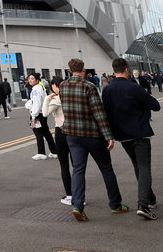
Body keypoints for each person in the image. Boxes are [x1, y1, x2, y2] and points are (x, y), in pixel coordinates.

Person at [61, 58, 126, 222]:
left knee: (78, 169)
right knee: (106, 168)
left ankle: (77, 206)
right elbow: (99, 113)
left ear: (69, 71)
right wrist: (108, 136)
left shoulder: (63, 85)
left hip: (72, 134)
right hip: (92, 134)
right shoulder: (88, 86)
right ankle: (115, 204)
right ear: (83, 70)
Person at [102, 57, 161, 220]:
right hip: (139, 132)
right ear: (126, 70)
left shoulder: (107, 90)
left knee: (137, 165)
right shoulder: (133, 87)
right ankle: (143, 204)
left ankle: (150, 198)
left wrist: (109, 135)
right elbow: (155, 105)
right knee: (144, 167)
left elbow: (104, 112)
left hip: (122, 134)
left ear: (113, 70)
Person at [43, 77, 73, 206]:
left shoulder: (56, 99)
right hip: (74, 131)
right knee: (77, 166)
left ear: (55, 86)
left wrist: (47, 98)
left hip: (61, 132)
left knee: (64, 165)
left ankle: (70, 195)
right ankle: (80, 195)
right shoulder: (71, 95)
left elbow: (44, 113)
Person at [25, 73, 56, 160]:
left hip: (37, 114)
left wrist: (34, 116)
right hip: (42, 113)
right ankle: (54, 151)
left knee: (38, 133)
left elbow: (37, 104)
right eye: (29, 78)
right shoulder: (40, 87)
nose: (30, 80)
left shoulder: (36, 90)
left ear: (37, 80)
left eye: (32, 78)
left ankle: (41, 152)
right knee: (46, 132)